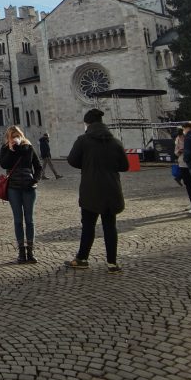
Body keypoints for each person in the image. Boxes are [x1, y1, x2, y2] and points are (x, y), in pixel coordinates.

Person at [65, 108, 129, 272]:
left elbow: (72, 160)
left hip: (91, 189)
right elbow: (125, 166)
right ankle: (112, 263)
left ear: (88, 123)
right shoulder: (115, 142)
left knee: (88, 225)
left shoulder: (83, 140)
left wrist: (87, 164)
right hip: (111, 188)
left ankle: (82, 258)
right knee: (110, 226)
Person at [0, 126, 42, 263]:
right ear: (8, 138)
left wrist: (35, 180)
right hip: (13, 188)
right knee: (18, 220)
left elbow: (38, 166)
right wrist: (11, 150)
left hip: (29, 188)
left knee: (29, 220)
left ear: (21, 135)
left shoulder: (28, 147)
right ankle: (21, 252)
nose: (14, 138)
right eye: (12, 136)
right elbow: (3, 164)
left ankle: (30, 251)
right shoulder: (6, 149)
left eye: (16, 135)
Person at [173, 128, 191, 208]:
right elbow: (175, 152)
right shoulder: (177, 139)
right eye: (180, 136)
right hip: (182, 164)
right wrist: (179, 151)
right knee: (188, 184)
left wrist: (187, 150)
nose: (181, 138)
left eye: (182, 136)